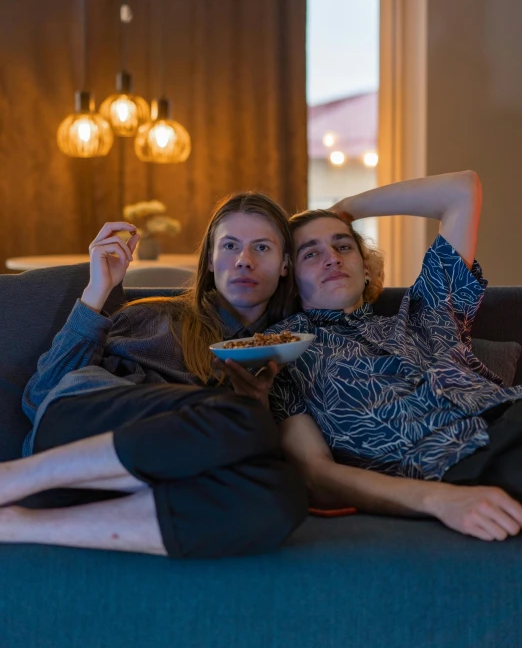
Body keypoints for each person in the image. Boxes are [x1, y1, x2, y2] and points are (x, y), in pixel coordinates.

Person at [0, 192, 307, 557]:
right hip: (75, 430)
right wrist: (97, 290)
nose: (243, 260)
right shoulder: (156, 316)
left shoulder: (287, 351)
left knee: (281, 496)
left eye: (261, 247)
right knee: (246, 419)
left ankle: (15, 525)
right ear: (209, 260)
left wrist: (255, 400)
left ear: (285, 264)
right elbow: (41, 396)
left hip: (129, 482)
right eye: (229, 245)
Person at [222, 171, 522, 542]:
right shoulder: (279, 353)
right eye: (311, 253)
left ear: (366, 268)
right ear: (289, 277)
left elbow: (463, 189)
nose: (332, 258)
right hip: (466, 465)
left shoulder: (427, 310)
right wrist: (439, 499)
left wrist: (347, 208)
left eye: (343, 246)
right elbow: (317, 473)